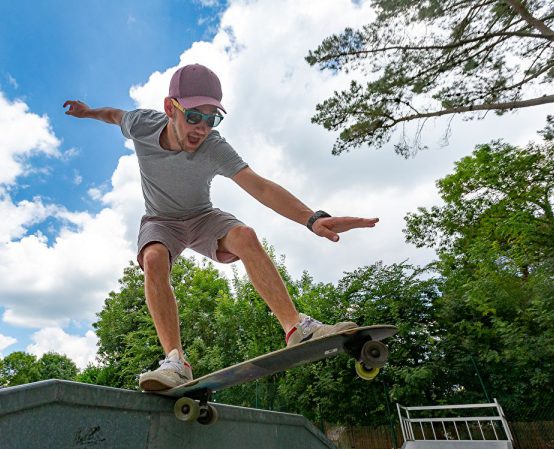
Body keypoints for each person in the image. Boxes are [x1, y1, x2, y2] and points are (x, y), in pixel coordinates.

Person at [64, 63, 378, 391]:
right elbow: (114, 115)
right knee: (153, 259)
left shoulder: (214, 147)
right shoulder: (141, 124)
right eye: (194, 117)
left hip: (202, 217)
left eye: (211, 118)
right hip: (161, 220)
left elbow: (260, 187)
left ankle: (295, 326)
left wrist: (312, 219)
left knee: (244, 235)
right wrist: (87, 113)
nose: (202, 129)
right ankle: (175, 361)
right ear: (171, 108)